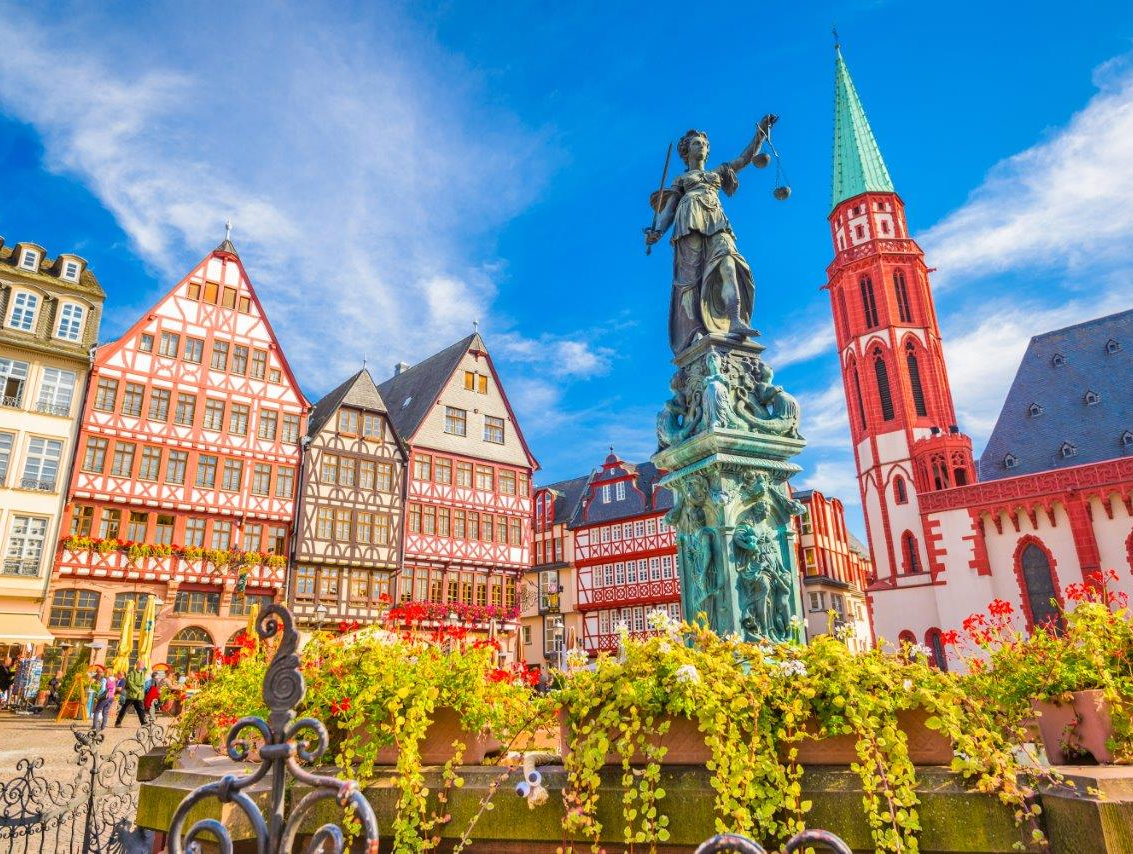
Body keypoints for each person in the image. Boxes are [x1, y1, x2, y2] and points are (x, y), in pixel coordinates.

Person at [644, 115, 778, 355]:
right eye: (696, 143)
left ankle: (736, 320)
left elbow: (745, 159)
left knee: (729, 264)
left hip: (717, 220)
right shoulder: (682, 179)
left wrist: (760, 134)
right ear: (686, 151)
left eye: (704, 144)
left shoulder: (718, 172)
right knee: (690, 279)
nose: (702, 147)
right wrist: (657, 232)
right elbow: (668, 212)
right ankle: (693, 330)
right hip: (689, 221)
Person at [115, 662, 148, 727]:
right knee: (124, 708)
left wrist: (140, 691)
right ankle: (118, 723)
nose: (142, 665)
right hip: (132, 694)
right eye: (141, 664)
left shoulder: (143, 673)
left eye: (143, 664)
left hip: (139, 695)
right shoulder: (132, 673)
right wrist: (136, 690)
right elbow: (130, 683)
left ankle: (144, 723)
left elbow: (143, 682)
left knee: (140, 709)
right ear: (137, 665)